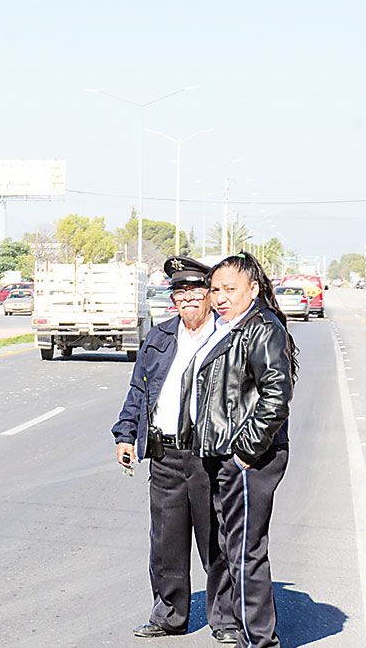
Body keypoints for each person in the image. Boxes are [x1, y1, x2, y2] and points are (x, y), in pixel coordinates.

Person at [113, 256, 237, 644]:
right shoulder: (160, 337)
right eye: (179, 293)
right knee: (165, 542)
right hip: (166, 455)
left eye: (194, 292)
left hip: (209, 457)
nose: (186, 299)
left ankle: (226, 620)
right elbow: (140, 390)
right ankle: (169, 615)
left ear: (209, 296)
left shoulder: (228, 337)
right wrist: (125, 435)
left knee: (215, 540)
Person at [187, 251, 298, 648]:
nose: (219, 297)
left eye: (229, 289)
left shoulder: (261, 328)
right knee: (232, 547)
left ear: (252, 289)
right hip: (226, 456)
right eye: (215, 289)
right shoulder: (229, 327)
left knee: (246, 552)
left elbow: (275, 396)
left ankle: (260, 640)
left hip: (250, 460)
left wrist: (245, 452)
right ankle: (244, 630)